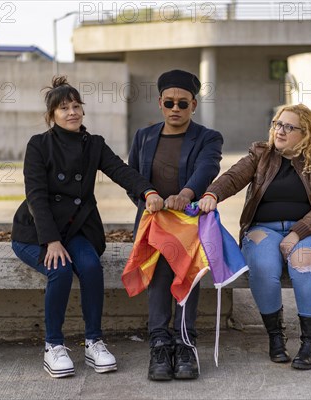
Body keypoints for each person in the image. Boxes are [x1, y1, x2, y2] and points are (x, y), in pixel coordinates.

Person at [11, 76, 164, 379]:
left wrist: (148, 191)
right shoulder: (39, 145)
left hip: (78, 230)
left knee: (91, 266)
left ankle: (94, 342)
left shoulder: (93, 144)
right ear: (51, 115)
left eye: (76, 106)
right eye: (64, 107)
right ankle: (53, 346)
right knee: (60, 270)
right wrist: (51, 241)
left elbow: (121, 170)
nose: (72, 112)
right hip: (37, 232)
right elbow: (36, 196)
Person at [199, 103, 311, 370]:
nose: (280, 131)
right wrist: (211, 194)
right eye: (277, 124)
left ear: (305, 133)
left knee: (301, 263)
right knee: (263, 267)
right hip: (264, 229)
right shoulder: (261, 154)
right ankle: (276, 337)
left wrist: (298, 232)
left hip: (310, 231)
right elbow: (232, 177)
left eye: (289, 126)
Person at [128, 69, 223, 380]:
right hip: (153, 223)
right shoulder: (143, 136)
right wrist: (149, 198)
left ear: (193, 105)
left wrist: (186, 194)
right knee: (158, 275)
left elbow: (207, 167)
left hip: (189, 225)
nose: (176, 109)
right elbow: (133, 179)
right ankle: (159, 344)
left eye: (183, 103)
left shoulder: (208, 137)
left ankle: (185, 344)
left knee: (186, 273)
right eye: (169, 102)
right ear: (160, 103)